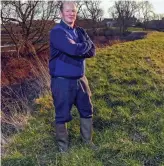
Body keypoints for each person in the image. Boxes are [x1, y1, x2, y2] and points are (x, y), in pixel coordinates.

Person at [49, 1, 96, 152]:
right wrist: (86, 44)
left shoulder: (78, 32)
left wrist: (83, 46)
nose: (71, 13)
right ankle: (64, 149)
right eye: (68, 11)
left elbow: (92, 51)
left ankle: (87, 142)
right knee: (62, 115)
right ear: (61, 13)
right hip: (62, 81)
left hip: (81, 80)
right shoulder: (57, 32)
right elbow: (73, 49)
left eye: (74, 11)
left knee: (87, 110)